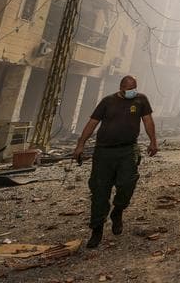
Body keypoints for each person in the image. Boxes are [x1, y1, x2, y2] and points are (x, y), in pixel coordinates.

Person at [73, 75, 159, 249]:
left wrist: (153, 141)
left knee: (128, 183)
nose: (132, 91)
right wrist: (80, 145)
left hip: (128, 150)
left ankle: (118, 210)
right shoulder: (108, 102)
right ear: (121, 88)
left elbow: (148, 121)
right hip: (104, 152)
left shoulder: (141, 100)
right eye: (129, 88)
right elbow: (92, 123)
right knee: (99, 191)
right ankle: (96, 229)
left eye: (134, 87)